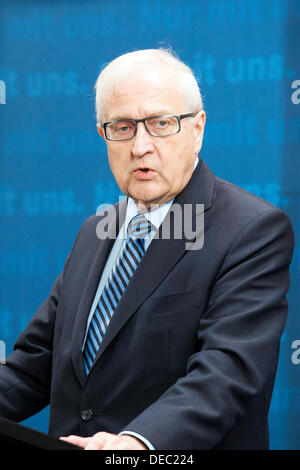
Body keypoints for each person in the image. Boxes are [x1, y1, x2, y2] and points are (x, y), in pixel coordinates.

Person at [0, 49, 294, 450]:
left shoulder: (251, 230)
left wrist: (138, 444)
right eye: (122, 127)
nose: (140, 146)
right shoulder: (94, 230)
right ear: (103, 135)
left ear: (197, 128)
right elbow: (36, 364)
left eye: (160, 123)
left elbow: (225, 372)